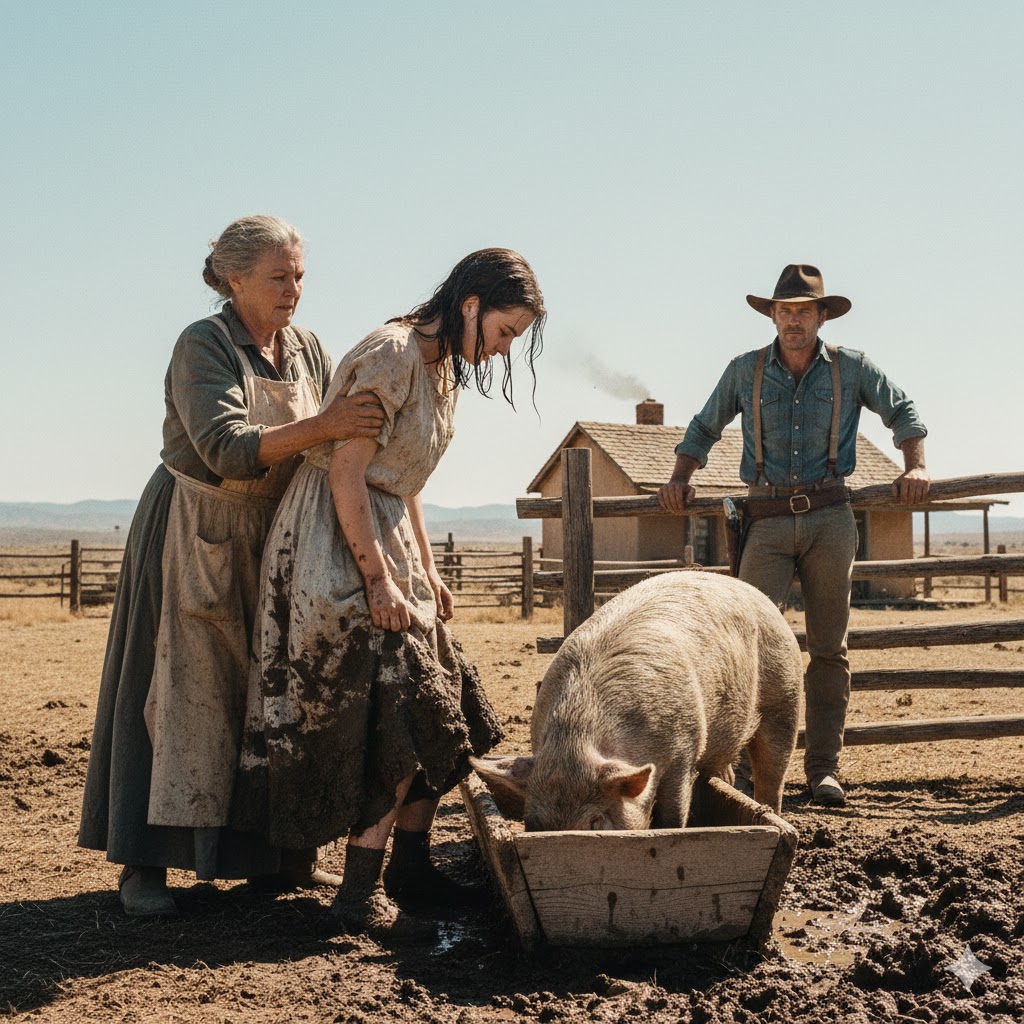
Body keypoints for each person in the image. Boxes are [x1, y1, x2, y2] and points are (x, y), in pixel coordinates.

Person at [231, 248, 546, 941]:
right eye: (503, 333)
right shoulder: (390, 353)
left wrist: (426, 570)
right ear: (470, 306)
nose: (501, 351)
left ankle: (408, 868)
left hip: (390, 534)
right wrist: (376, 578)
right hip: (332, 543)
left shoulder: (445, 372)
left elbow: (408, 482)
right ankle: (356, 896)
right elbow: (347, 473)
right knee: (399, 710)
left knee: (447, 707)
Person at [79, 215, 386, 916]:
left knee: (267, 689)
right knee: (177, 691)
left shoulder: (306, 348)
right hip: (197, 527)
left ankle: (269, 859)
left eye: (300, 275)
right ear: (234, 276)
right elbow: (224, 446)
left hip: (279, 535)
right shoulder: (202, 345)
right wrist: (330, 424)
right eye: (279, 276)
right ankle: (143, 866)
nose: (294, 290)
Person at [658, 264, 929, 808]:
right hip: (766, 520)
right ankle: (729, 771)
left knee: (829, 649)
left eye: (803, 311)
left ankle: (823, 770)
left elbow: (903, 410)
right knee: (744, 648)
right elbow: (703, 426)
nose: (793, 321)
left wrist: (915, 466)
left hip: (831, 516)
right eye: (784, 311)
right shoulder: (746, 370)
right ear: (773, 316)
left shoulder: (851, 369)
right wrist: (680, 477)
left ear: (822, 316)